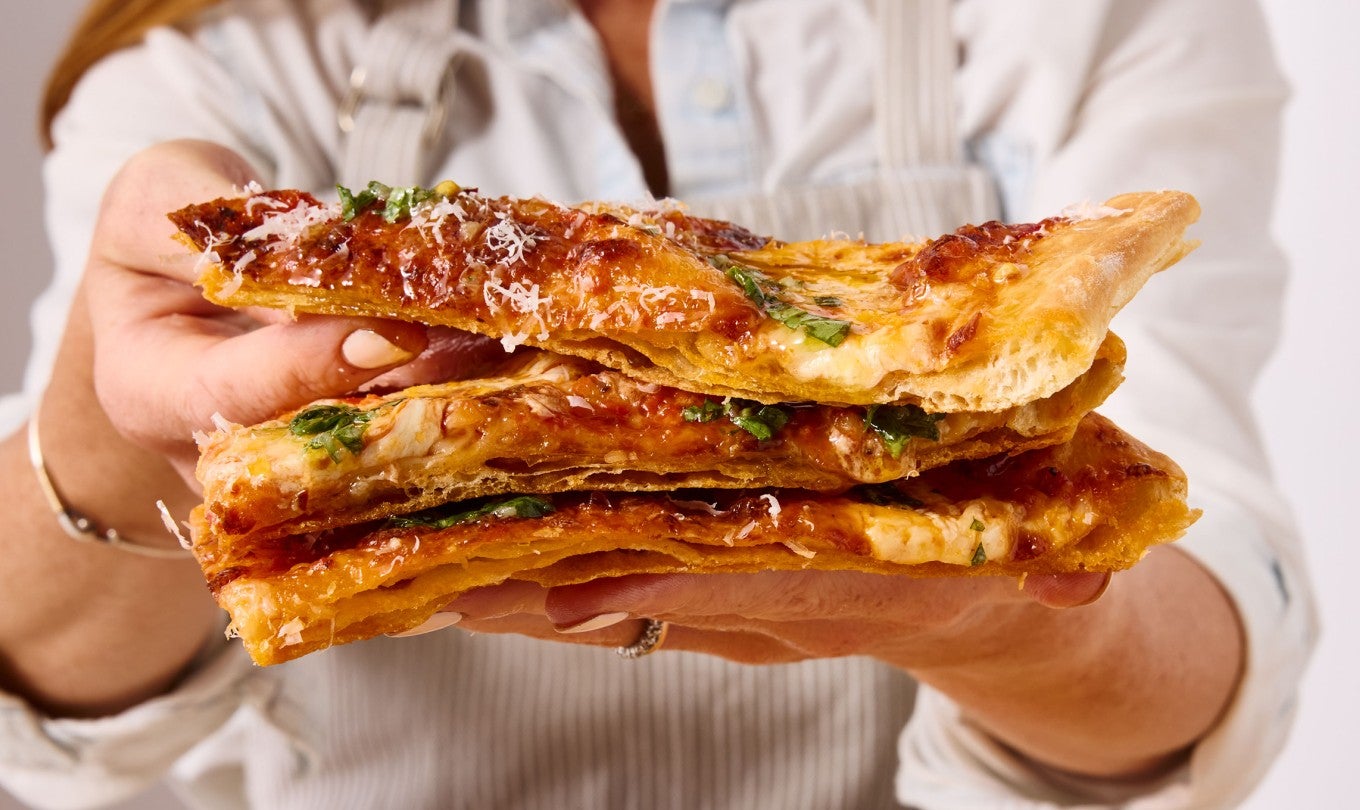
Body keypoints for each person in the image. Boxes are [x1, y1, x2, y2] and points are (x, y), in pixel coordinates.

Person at [0, 0, 1316, 807]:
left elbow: (1199, 599)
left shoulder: (1076, 13)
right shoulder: (221, 55)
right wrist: (120, 425)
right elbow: (45, 736)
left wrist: (999, 619)